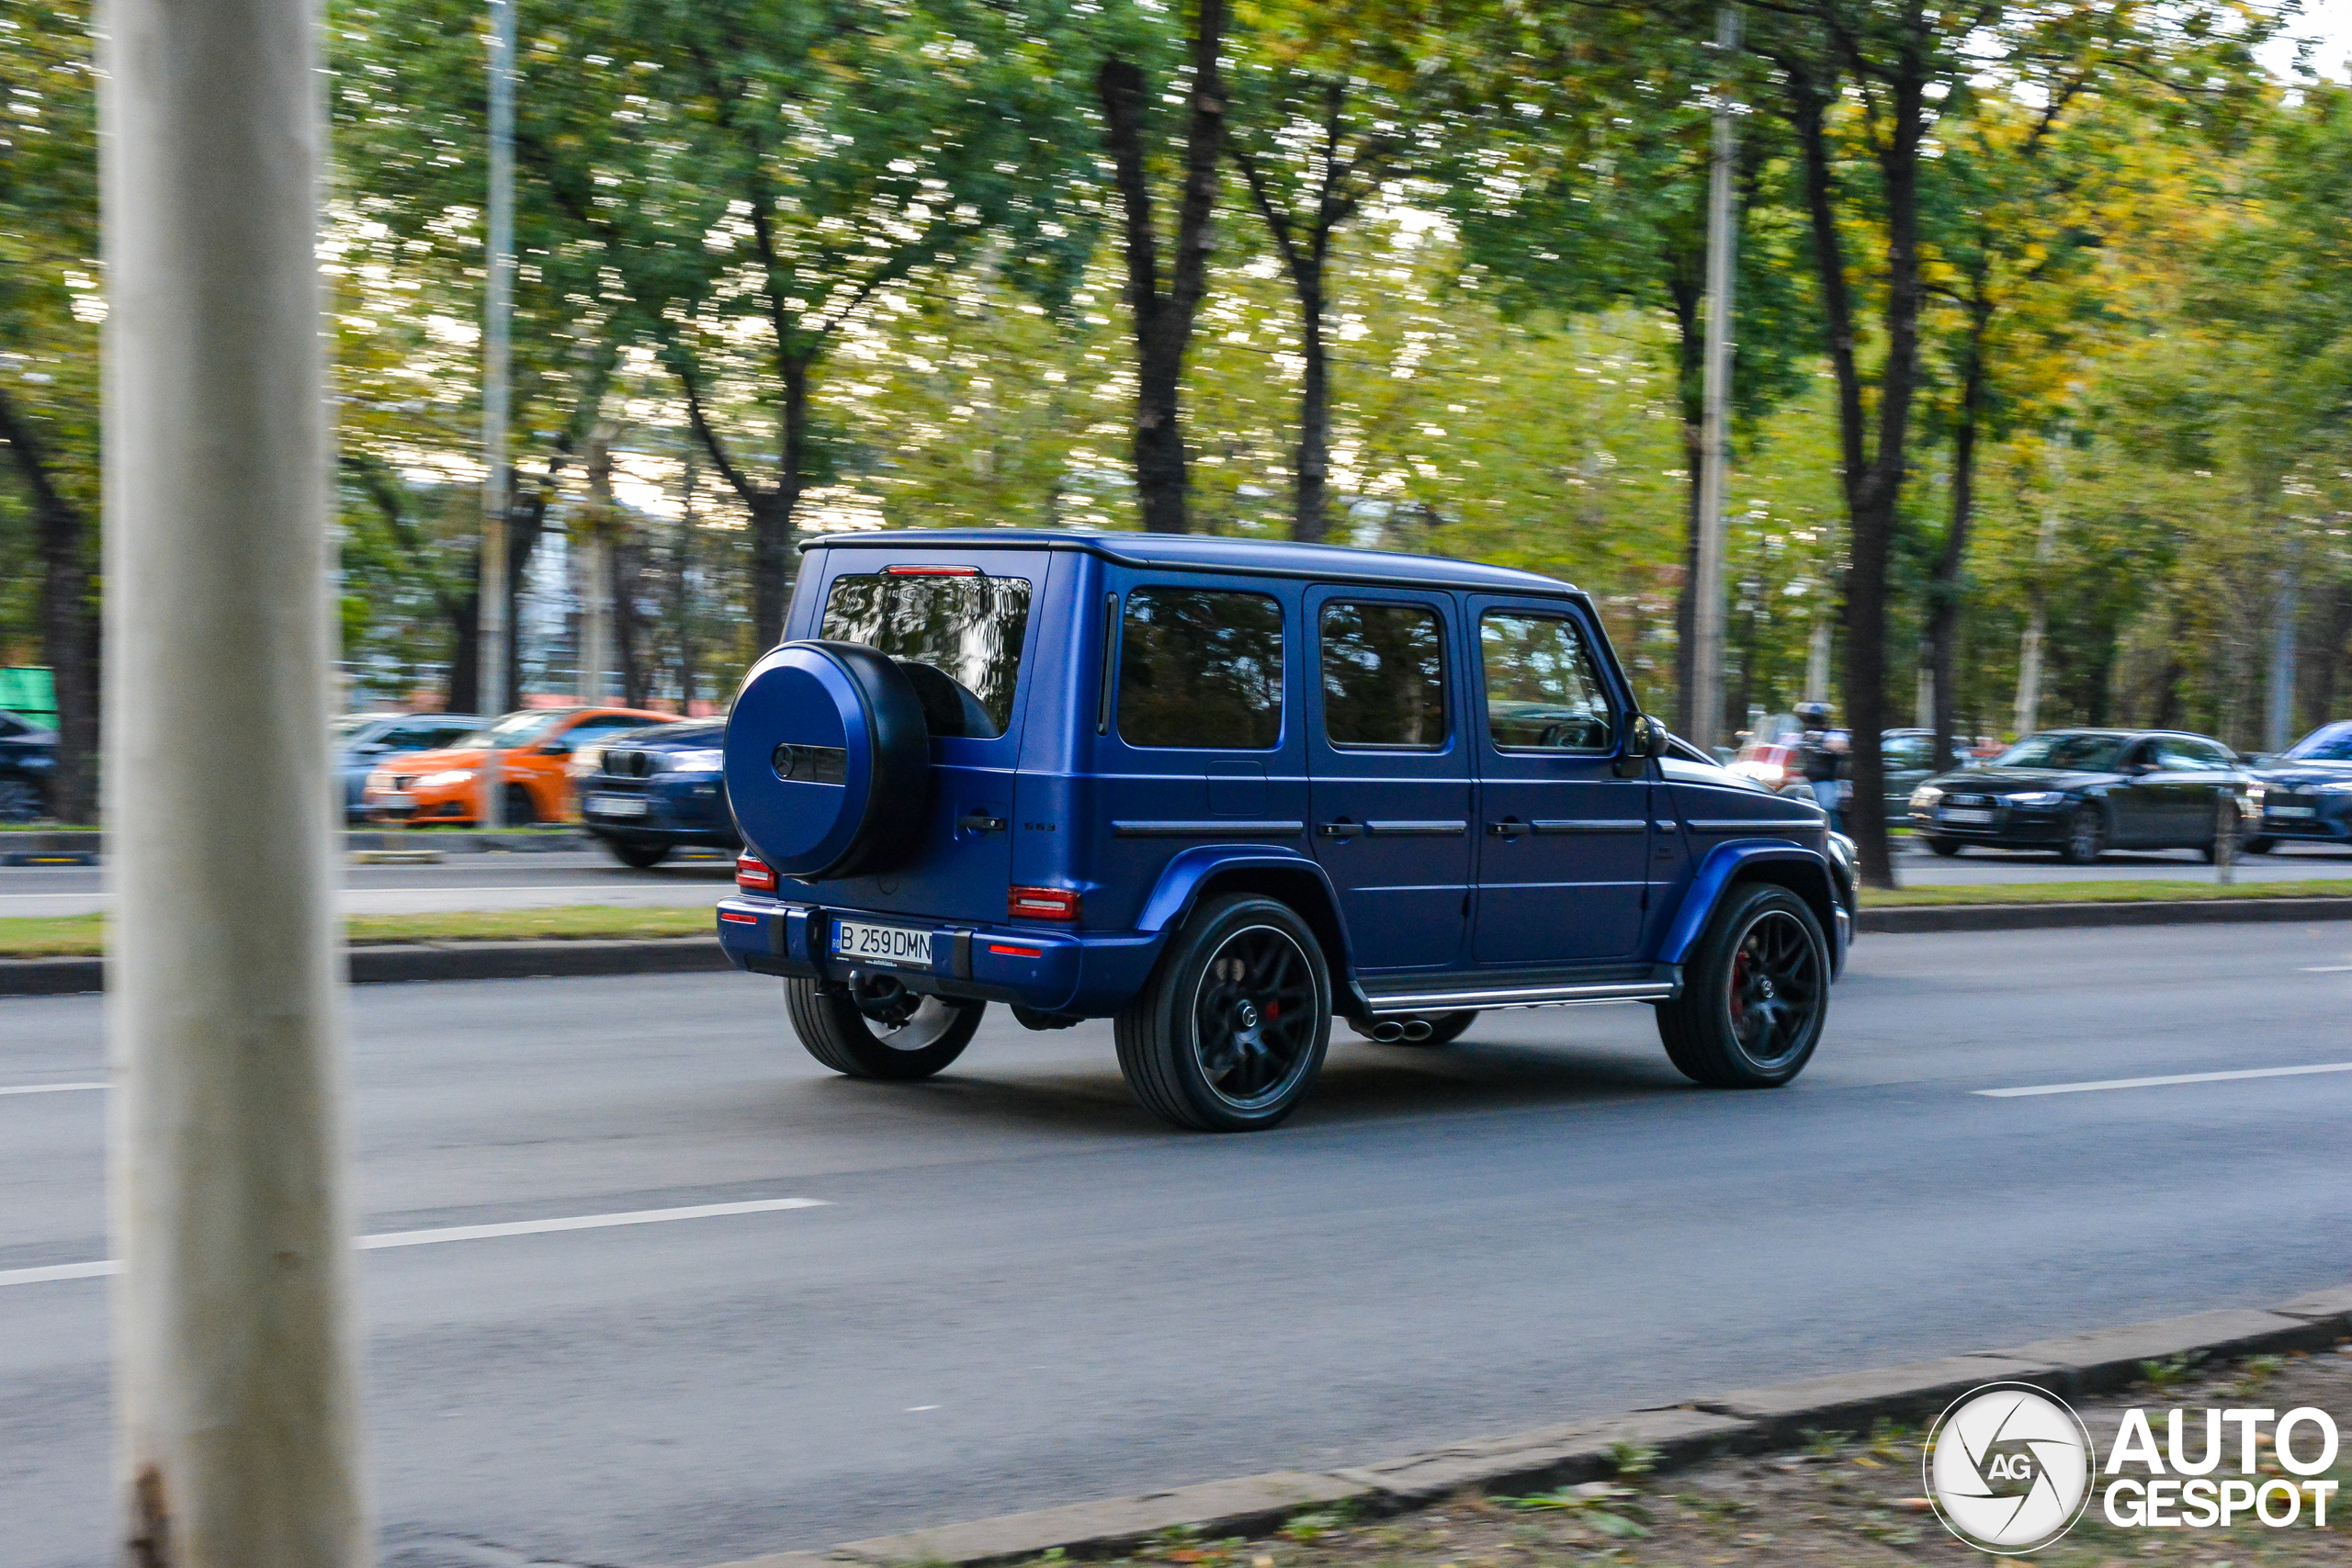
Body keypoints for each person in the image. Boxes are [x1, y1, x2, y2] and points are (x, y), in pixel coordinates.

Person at [1794, 701, 1849, 831]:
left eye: (1816, 719)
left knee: (1828, 810)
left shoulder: (1832, 734)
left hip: (1826, 781)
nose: (1813, 723)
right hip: (1807, 780)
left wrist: (1824, 743)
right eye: (1810, 719)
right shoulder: (1804, 736)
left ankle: (1836, 839)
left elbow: (1841, 746)